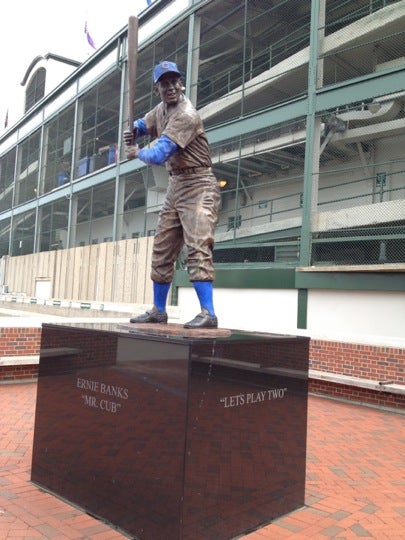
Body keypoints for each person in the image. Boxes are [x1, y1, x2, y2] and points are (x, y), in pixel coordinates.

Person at [123, 60, 221, 329]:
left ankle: (208, 313)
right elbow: (146, 122)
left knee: (198, 246)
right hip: (176, 185)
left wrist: (136, 152)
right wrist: (134, 128)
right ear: (158, 89)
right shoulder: (161, 109)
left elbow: (159, 153)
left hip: (200, 184)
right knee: (162, 249)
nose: (171, 87)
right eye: (165, 83)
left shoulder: (186, 114)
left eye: (174, 82)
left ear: (181, 83)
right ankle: (158, 310)